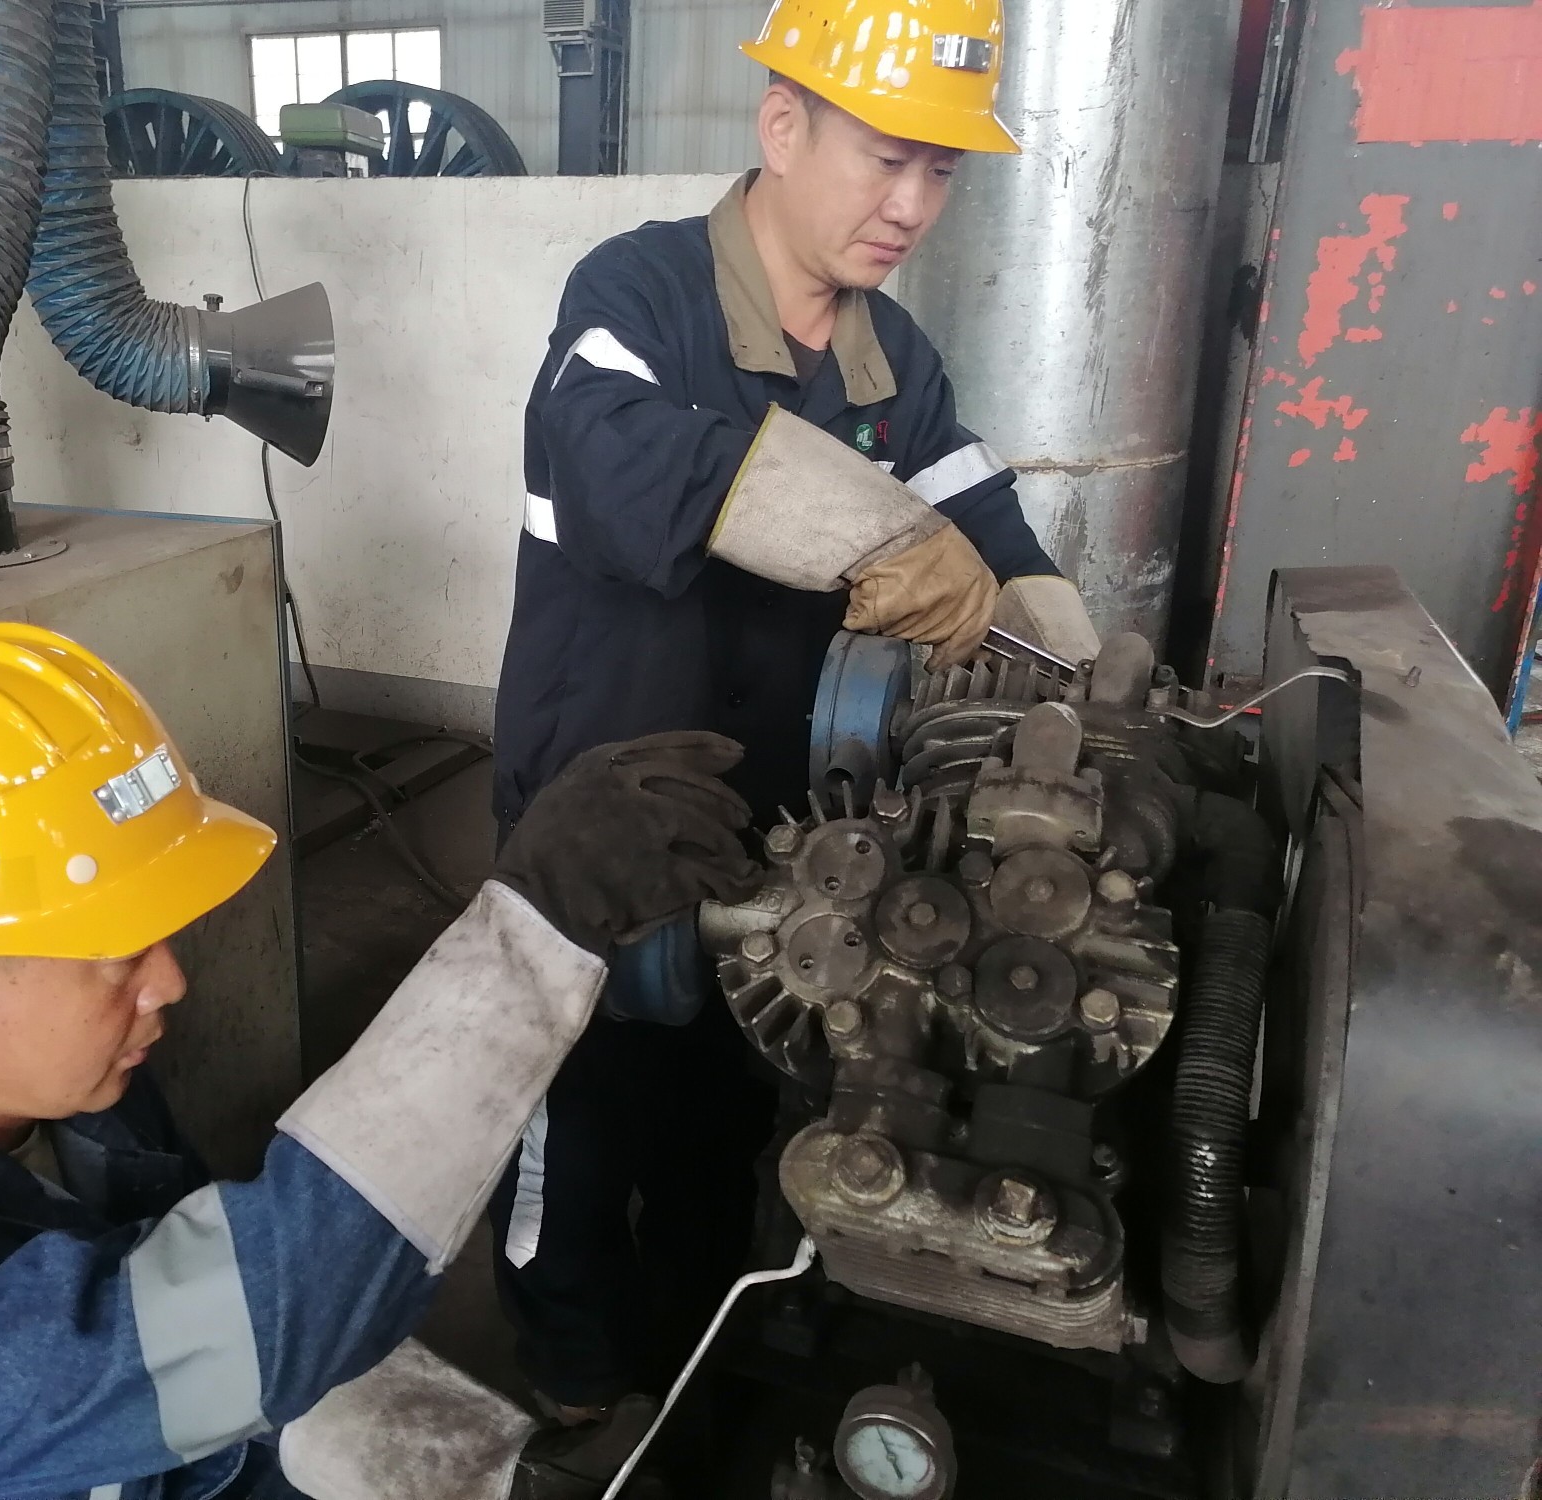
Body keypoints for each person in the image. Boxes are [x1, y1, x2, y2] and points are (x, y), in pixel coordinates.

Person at [0, 623, 759, 1500]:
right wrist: (535, 926)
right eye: (116, 954)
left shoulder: (67, 1100)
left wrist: (490, 1475)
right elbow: (251, 1325)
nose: (168, 983)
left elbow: (220, 1311)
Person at [488, 0, 1104, 1426]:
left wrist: (1089, 683)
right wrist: (881, 542)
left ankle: (694, 1358)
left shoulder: (897, 365)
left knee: (730, 1101)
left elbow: (992, 537)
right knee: (576, 1108)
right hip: (601, 796)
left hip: (779, 827)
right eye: (887, 158)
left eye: (940, 171)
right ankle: (570, 1372)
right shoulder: (634, 296)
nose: (913, 205)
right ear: (782, 127)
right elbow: (626, 460)